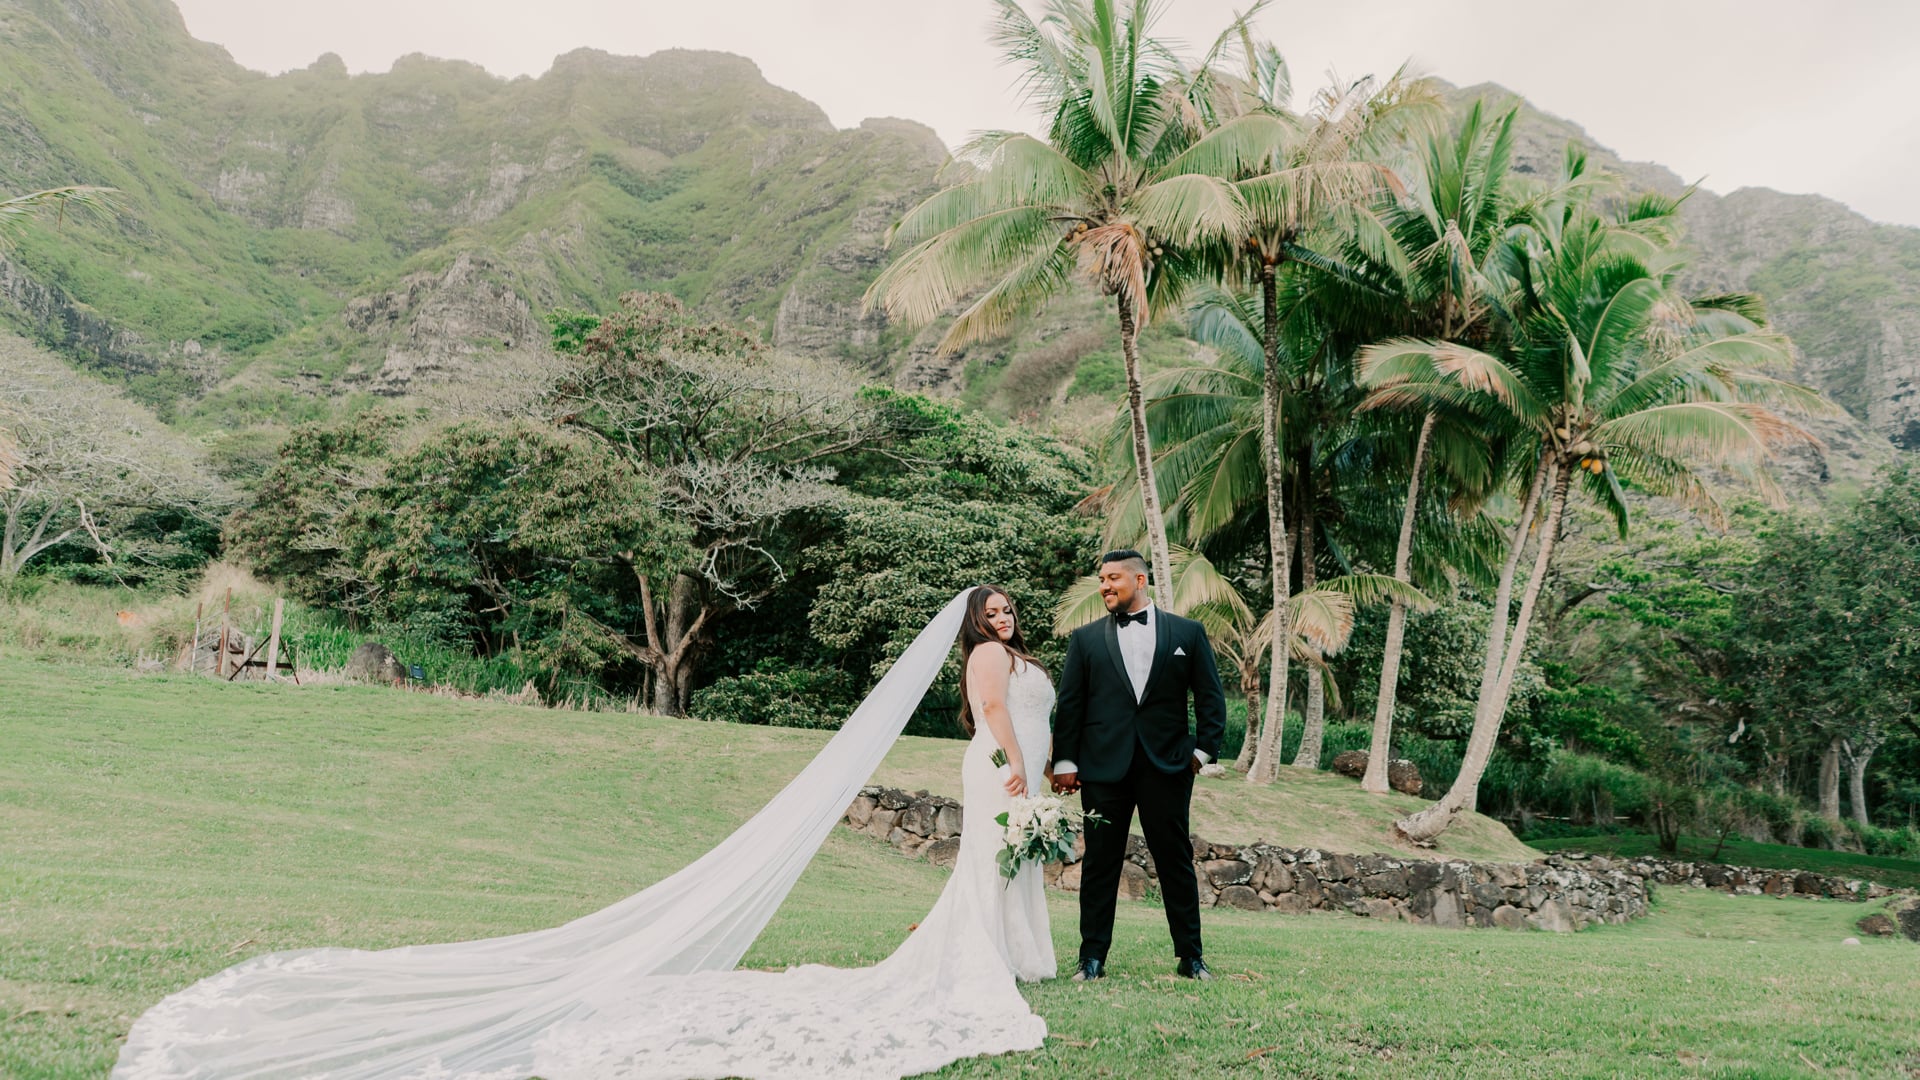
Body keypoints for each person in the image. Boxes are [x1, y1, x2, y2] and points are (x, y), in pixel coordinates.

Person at [114, 587, 1054, 1080]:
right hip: (994, 768)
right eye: (992, 612)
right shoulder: (983, 659)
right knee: (978, 872)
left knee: (989, 874)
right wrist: (1015, 764)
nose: (1003, 620)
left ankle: (1007, 951)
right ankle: (985, 958)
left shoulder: (1016, 653)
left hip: (1017, 774)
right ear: (973, 623)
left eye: (1008, 611)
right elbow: (989, 718)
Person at [1050, 549, 1227, 982]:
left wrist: (1202, 752)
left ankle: (1191, 956)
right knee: (1099, 865)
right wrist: (1065, 761)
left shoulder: (1188, 632)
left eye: (1113, 578)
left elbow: (1210, 697)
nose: (1105, 586)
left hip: (1167, 766)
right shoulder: (1086, 639)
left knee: (1174, 860)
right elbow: (1070, 705)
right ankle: (1091, 958)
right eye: (1102, 579)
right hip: (1103, 768)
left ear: (1140, 580)